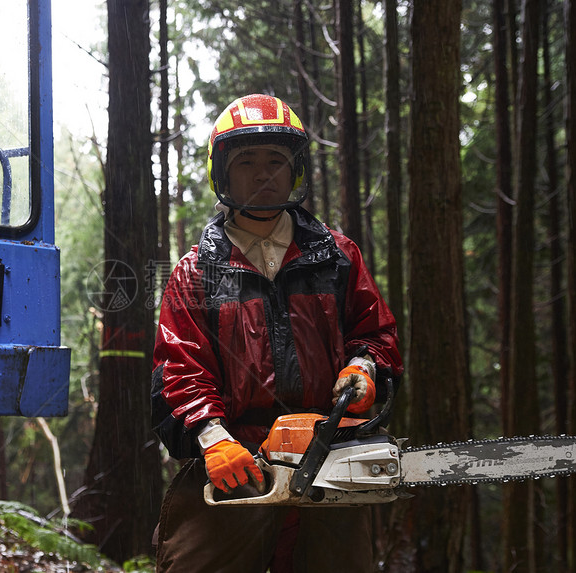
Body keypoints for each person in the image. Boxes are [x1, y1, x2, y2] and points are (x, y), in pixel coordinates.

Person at [150, 94, 403, 572]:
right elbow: (178, 370)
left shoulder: (337, 257)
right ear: (222, 172)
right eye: (247, 161)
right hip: (237, 457)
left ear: (296, 171)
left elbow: (376, 334)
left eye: (276, 161)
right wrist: (212, 438)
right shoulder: (197, 272)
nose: (263, 174)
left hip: (328, 450)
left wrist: (365, 367)